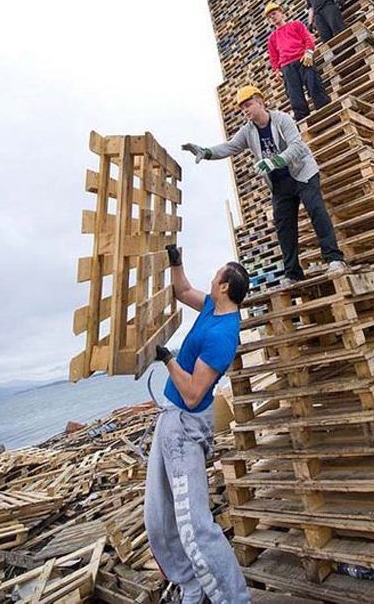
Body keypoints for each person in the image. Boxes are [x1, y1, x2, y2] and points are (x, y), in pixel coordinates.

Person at [144, 247, 251, 604]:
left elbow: (192, 394)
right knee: (158, 519)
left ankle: (233, 598)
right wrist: (177, 263)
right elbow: (181, 290)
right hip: (170, 418)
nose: (211, 278)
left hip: (187, 425)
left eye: (215, 275)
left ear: (224, 286)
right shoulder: (211, 305)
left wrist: (168, 359)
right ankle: (191, 585)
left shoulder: (223, 337)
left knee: (195, 526)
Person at [182, 87, 346, 283]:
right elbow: (230, 147)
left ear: (260, 102)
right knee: (284, 226)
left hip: (302, 174)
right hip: (280, 184)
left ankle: (334, 259)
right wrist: (206, 152)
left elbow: (297, 146)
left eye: (248, 104)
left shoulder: (282, 119)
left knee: (316, 210)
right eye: (242, 108)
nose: (246, 110)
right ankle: (293, 274)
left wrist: (274, 161)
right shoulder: (248, 131)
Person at [265, 2, 330, 120]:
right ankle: (303, 119)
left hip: (303, 60)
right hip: (286, 66)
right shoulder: (272, 38)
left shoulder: (296, 25)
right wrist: (276, 71)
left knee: (314, 85)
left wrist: (309, 53)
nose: (272, 17)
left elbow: (308, 39)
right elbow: (274, 57)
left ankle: (325, 111)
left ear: (281, 12)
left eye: (274, 13)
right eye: (270, 17)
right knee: (294, 95)